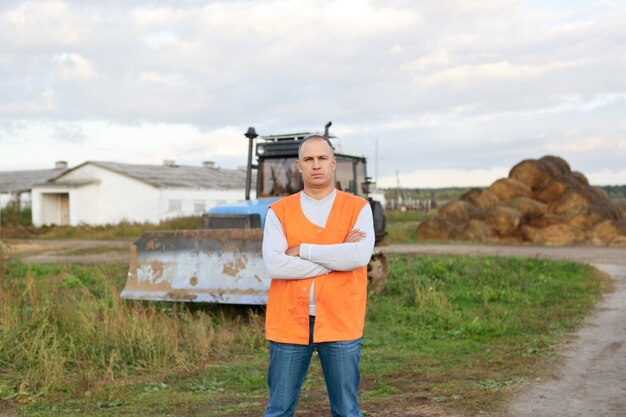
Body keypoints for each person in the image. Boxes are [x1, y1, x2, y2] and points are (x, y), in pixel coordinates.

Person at [262, 134, 375, 417]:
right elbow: (276, 266)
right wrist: (336, 259)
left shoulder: (358, 209)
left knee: (347, 411)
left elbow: (359, 257)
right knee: (279, 409)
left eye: (322, 158)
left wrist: (302, 250)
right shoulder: (279, 211)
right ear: (298, 166)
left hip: (340, 319)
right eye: (308, 159)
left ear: (333, 163)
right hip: (289, 320)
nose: (316, 165)